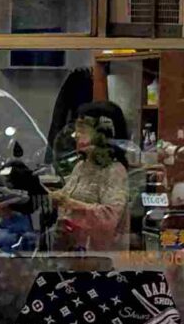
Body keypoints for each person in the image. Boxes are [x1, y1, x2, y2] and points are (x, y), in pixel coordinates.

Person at [50, 105, 130, 252]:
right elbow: (66, 199)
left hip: (100, 259)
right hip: (73, 252)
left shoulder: (114, 171)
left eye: (82, 130)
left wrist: (73, 204)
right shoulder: (80, 166)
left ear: (101, 135)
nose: (76, 135)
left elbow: (110, 217)